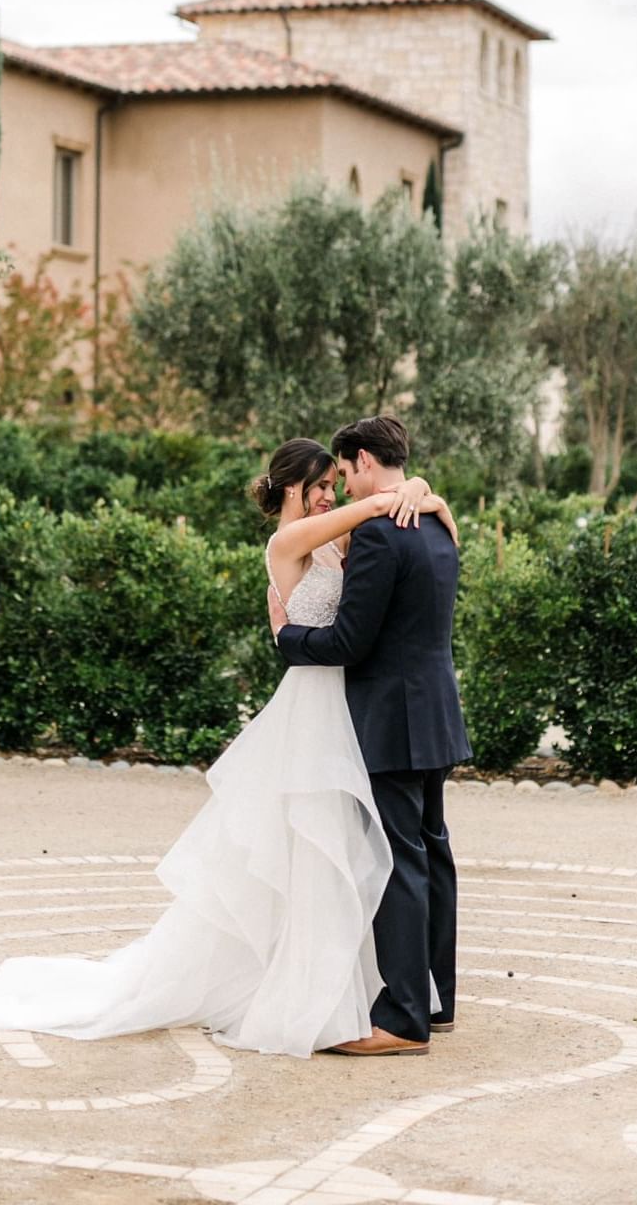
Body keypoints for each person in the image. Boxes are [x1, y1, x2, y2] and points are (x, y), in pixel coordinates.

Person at [0, 437, 456, 1059]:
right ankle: (343, 992)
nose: (331, 494)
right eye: (320, 485)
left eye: (335, 485)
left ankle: (372, 990)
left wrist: (419, 492)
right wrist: (415, 494)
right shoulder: (290, 542)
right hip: (315, 708)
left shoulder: (334, 535)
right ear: (293, 489)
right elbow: (371, 515)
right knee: (317, 848)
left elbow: (375, 529)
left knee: (349, 853)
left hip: (349, 711)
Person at [270, 415, 471, 1058]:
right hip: (436, 711)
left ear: (360, 460)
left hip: (391, 717)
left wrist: (286, 639)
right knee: (432, 852)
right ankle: (436, 999)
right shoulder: (439, 525)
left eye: (344, 475)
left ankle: (404, 1018)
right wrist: (421, 491)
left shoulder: (382, 536)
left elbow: (350, 642)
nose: (343, 489)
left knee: (400, 861)